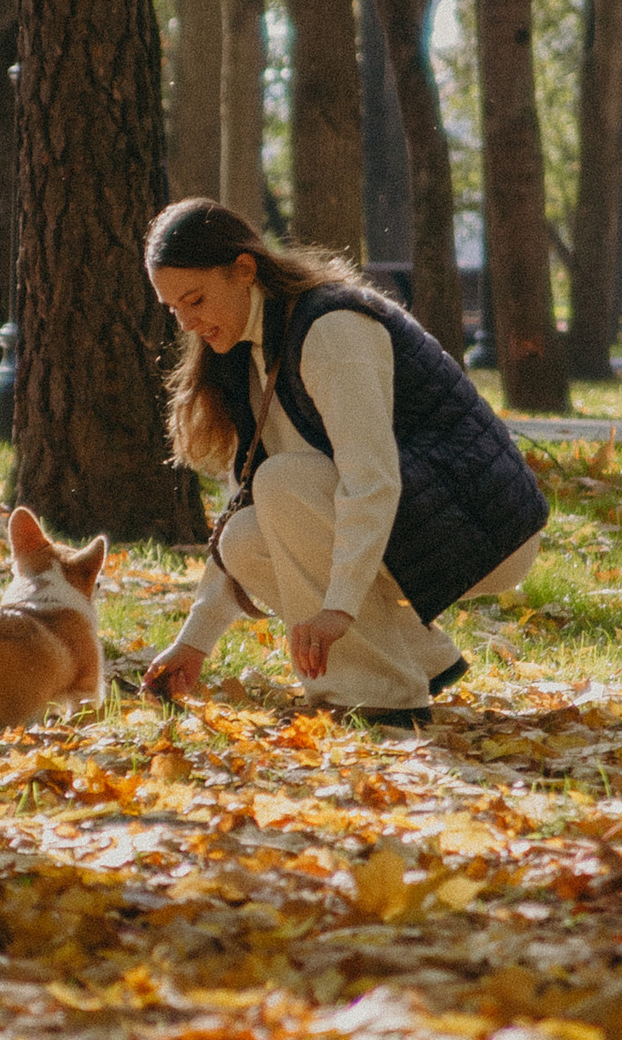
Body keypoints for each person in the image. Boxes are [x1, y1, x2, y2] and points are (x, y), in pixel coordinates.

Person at [139, 197, 551, 727]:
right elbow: (246, 506)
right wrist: (192, 643)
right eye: (174, 309)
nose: (189, 323)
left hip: (483, 529)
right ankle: (418, 657)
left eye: (194, 299)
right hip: (416, 522)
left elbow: (372, 479)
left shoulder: (332, 329)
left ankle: (377, 697)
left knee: (281, 482)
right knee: (243, 537)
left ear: (244, 269)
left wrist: (337, 608)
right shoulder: (246, 350)